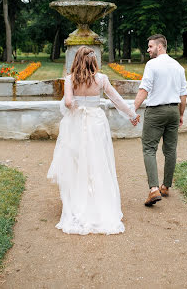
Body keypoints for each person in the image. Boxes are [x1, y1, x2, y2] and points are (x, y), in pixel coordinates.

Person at [47, 46, 140, 235]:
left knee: (76, 162)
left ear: (76, 60)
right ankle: (98, 200)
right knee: (98, 160)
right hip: (96, 123)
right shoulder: (101, 79)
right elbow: (117, 100)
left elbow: (67, 103)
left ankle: (77, 200)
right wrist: (132, 114)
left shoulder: (70, 79)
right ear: (94, 60)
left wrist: (75, 105)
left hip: (75, 124)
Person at [134, 34, 187, 206]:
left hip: (156, 112)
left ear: (159, 47)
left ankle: (153, 190)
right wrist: (180, 114)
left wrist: (131, 109)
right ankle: (165, 187)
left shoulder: (152, 64)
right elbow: (183, 94)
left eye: (150, 46)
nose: (148, 49)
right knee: (170, 150)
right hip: (173, 110)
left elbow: (144, 90)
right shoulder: (178, 66)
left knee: (149, 148)